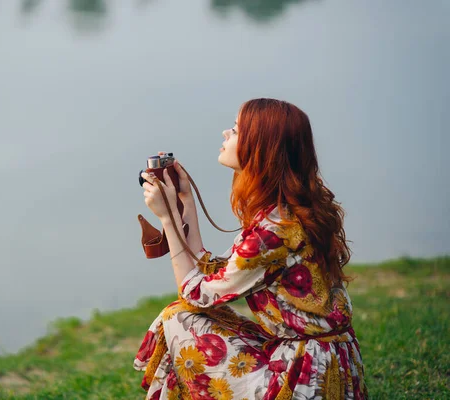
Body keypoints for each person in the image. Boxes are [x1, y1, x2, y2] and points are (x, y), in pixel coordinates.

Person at [134, 98, 368, 400]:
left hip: (303, 377)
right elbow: (215, 274)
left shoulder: (273, 230)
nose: (225, 134)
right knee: (180, 315)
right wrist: (186, 203)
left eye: (235, 130)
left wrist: (168, 218)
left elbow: (195, 294)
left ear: (260, 148)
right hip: (327, 359)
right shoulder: (287, 213)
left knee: (179, 318)